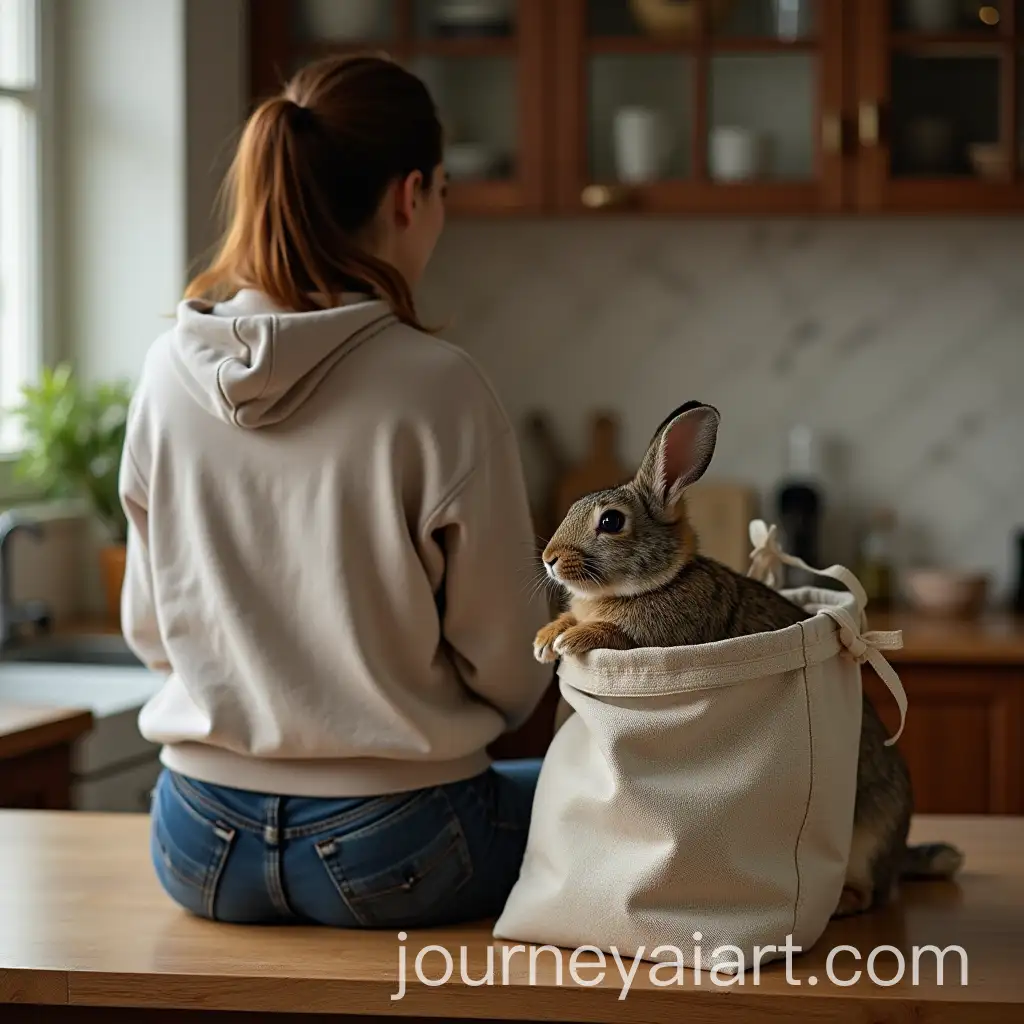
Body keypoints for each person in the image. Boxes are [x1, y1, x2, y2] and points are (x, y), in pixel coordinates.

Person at [119, 53, 552, 928]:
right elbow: (514, 664)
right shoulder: (438, 385)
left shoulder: (166, 371)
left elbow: (150, 630)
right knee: (599, 788)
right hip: (399, 843)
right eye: (441, 198)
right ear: (409, 194)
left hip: (197, 840)